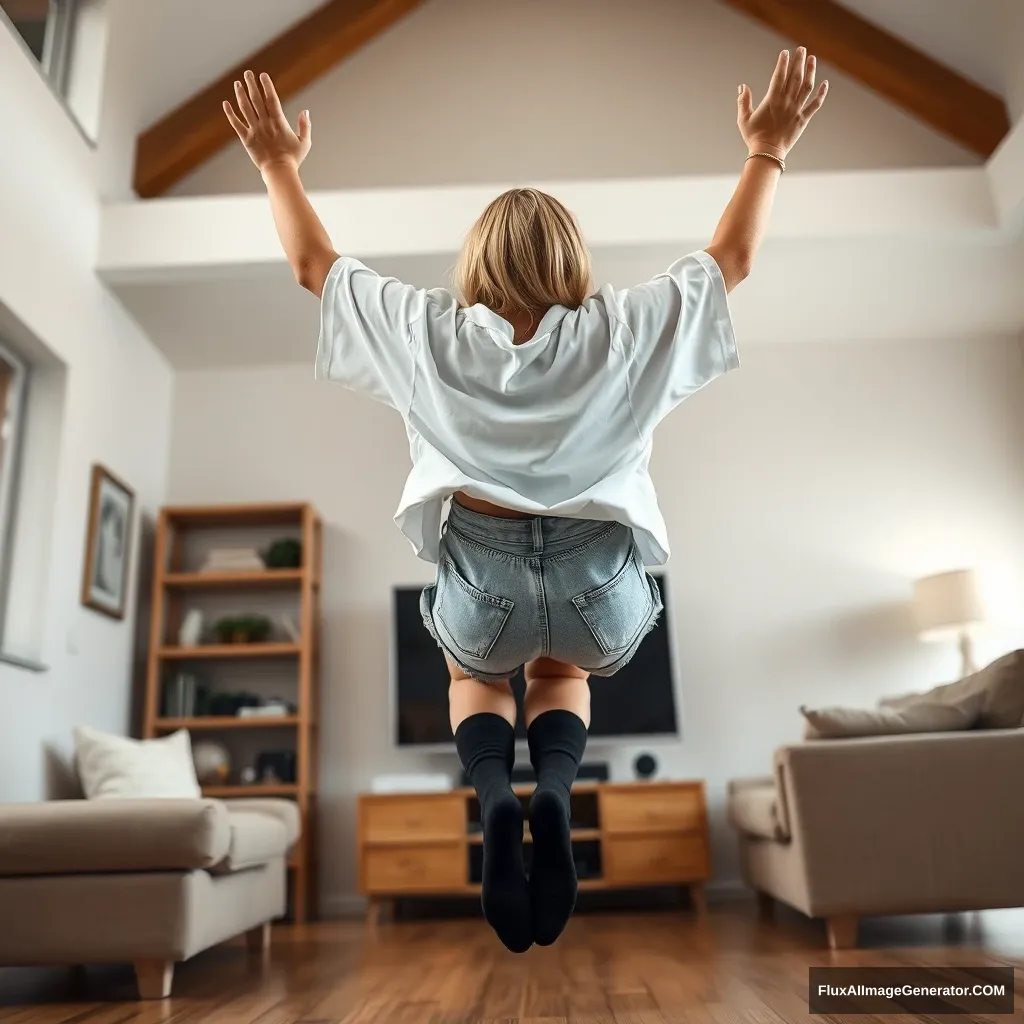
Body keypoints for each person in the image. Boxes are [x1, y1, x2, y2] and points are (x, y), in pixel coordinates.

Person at [223, 48, 827, 953]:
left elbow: (316, 265)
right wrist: (769, 147)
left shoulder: (427, 332)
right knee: (564, 670)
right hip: (601, 590)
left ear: (475, 263)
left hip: (483, 585)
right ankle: (554, 792)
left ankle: (497, 797)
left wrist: (276, 163)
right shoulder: (622, 330)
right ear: (572, 261)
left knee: (474, 673)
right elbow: (731, 259)